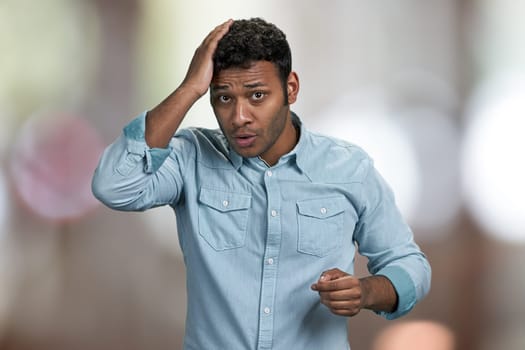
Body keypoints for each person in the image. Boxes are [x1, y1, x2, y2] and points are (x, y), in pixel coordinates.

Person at [92, 18, 431, 350]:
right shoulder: (190, 158)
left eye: (257, 96)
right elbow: (114, 185)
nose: (239, 116)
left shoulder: (348, 167)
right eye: (224, 98)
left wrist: (366, 291)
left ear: (291, 89)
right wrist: (189, 89)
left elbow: (410, 266)